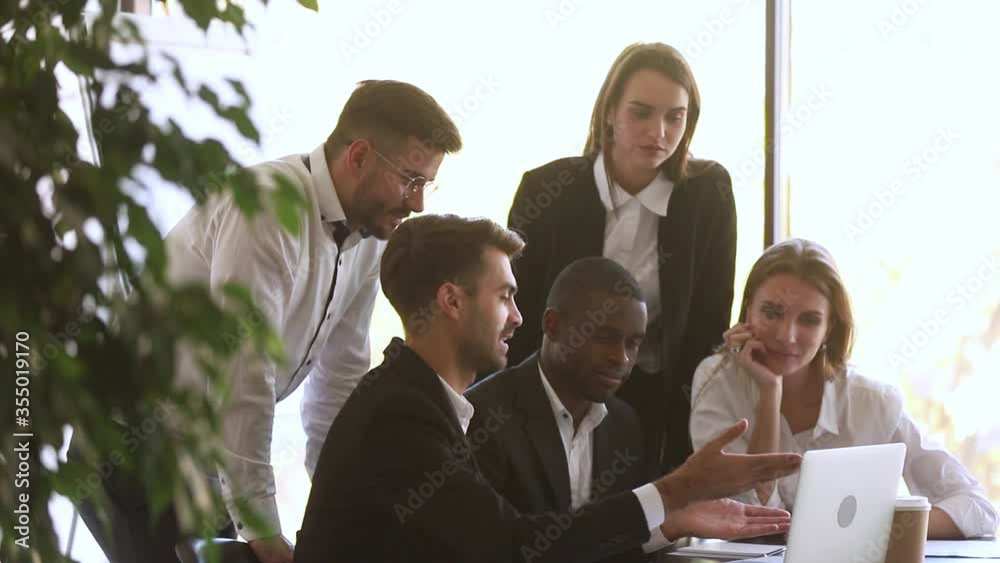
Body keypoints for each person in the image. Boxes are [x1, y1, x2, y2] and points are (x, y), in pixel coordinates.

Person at [73, 80, 461, 563]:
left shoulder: (372, 233)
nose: (418, 202)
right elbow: (242, 374)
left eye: (426, 183)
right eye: (410, 179)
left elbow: (339, 378)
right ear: (358, 156)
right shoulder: (266, 208)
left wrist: (338, 507)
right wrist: (264, 532)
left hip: (204, 455)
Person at [295, 214, 799, 562]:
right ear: (451, 300)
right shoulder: (400, 415)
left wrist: (671, 519)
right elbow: (513, 549)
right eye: (505, 297)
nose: (518, 318)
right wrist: (676, 491)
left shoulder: (416, 399)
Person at [504, 42, 736, 474]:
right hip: (554, 390)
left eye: (675, 117)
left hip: (655, 396)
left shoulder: (708, 194)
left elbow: (708, 322)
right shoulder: (547, 190)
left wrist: (685, 433)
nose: (659, 132)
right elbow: (519, 310)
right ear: (609, 112)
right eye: (641, 112)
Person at [467, 257, 791, 563]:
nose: (621, 358)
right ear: (552, 325)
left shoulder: (624, 425)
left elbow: (609, 548)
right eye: (605, 337)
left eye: (633, 343)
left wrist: (669, 526)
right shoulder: (483, 416)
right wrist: (671, 493)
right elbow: (508, 549)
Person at [689, 238, 1000, 539]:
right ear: (748, 311)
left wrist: (871, 526)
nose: (787, 335)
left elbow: (976, 508)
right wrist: (770, 394)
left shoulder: (869, 400)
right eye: (771, 312)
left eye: (809, 320)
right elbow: (747, 517)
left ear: (830, 328)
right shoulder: (716, 382)